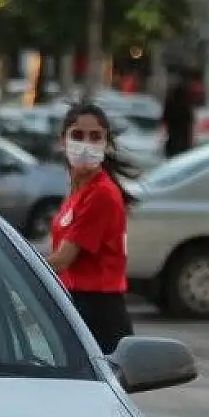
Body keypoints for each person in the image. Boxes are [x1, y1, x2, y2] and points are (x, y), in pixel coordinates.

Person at [47, 102, 138, 354]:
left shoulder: (101, 194)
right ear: (63, 140)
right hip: (75, 304)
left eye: (95, 137)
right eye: (77, 135)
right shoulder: (79, 192)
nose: (86, 143)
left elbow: (63, 259)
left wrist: (20, 274)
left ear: (106, 143)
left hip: (98, 311)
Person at [161, 70, 195, 158]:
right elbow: (190, 123)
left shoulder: (170, 104)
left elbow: (165, 120)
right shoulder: (186, 105)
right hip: (184, 141)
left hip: (172, 140)